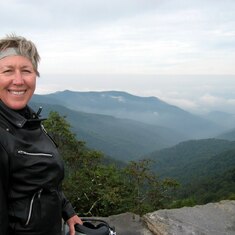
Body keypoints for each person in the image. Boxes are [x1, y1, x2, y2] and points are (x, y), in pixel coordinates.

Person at [0, 34, 82, 235]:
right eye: (8, 71)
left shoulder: (26, 119)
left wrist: (67, 211)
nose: (18, 81)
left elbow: (42, 181)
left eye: (26, 71)